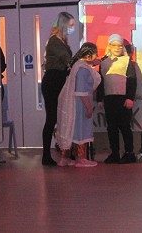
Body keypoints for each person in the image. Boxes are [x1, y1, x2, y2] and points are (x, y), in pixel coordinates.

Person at [56, 42, 101, 168]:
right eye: (95, 53)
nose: (96, 56)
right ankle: (82, 158)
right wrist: (89, 108)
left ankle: (65, 157)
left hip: (75, 104)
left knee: (71, 131)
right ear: (89, 54)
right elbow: (82, 91)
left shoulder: (78, 66)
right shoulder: (83, 70)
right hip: (80, 106)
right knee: (81, 131)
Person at [41, 11, 75, 166]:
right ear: (63, 25)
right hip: (53, 81)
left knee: (60, 118)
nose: (72, 28)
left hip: (59, 80)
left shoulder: (62, 41)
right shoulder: (54, 41)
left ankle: (64, 151)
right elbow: (67, 59)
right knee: (52, 118)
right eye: (71, 25)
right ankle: (46, 155)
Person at [97, 33, 137, 164]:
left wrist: (130, 98)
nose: (117, 48)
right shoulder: (104, 62)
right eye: (114, 45)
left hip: (123, 99)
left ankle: (129, 153)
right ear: (109, 46)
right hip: (109, 99)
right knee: (111, 127)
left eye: (120, 46)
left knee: (125, 126)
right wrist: (99, 99)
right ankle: (114, 153)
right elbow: (100, 81)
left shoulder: (127, 61)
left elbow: (132, 81)